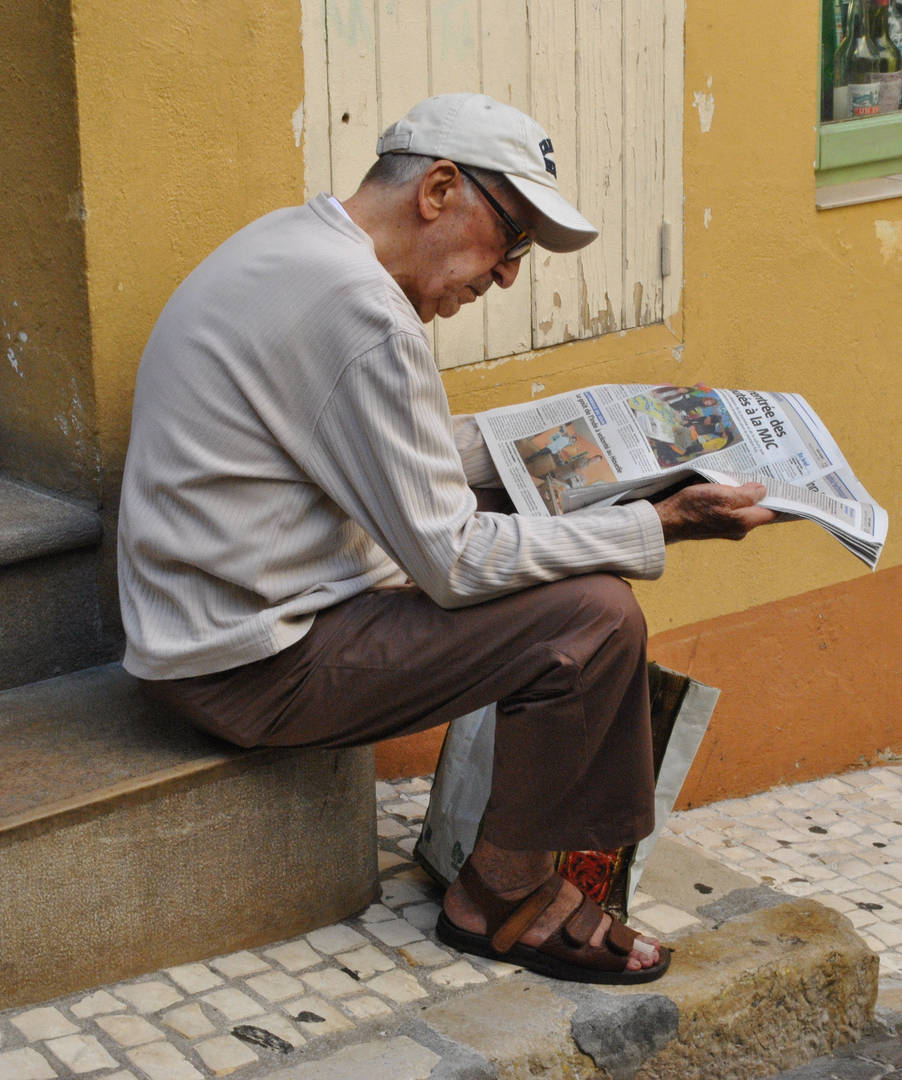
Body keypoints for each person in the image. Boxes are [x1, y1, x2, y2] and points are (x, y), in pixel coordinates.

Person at [117, 93, 776, 985]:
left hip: (216, 626)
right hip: (248, 667)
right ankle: (502, 894)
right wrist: (656, 523)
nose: (506, 275)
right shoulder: (360, 310)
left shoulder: (295, 246)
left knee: (560, 549)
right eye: (511, 242)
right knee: (591, 620)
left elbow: (410, 453)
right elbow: (456, 562)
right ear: (436, 190)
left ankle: (534, 869)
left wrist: (593, 448)